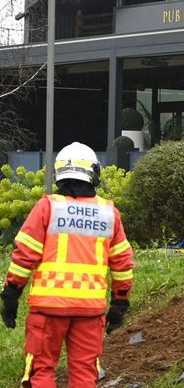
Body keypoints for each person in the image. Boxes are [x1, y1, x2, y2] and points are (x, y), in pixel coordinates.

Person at [2, 142, 134, 387]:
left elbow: (24, 257)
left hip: (48, 307)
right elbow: (123, 264)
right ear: (93, 173)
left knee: (41, 370)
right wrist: (120, 302)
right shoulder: (108, 213)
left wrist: (11, 294)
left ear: (59, 173)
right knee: (85, 372)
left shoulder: (47, 207)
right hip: (90, 310)